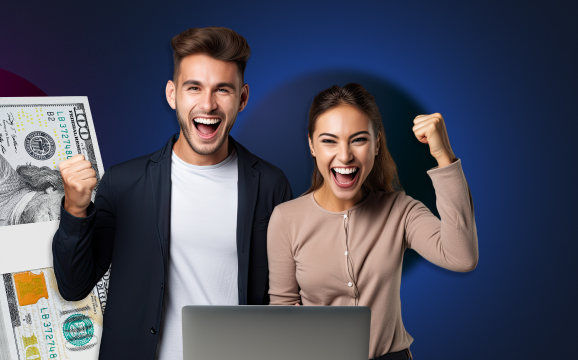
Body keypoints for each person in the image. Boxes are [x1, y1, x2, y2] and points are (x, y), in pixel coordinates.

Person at [52, 27, 293, 360]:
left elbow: (286, 297)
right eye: (193, 88)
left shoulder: (271, 184)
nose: (207, 104)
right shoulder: (124, 183)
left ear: (242, 98)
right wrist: (75, 209)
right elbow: (74, 286)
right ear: (172, 94)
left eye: (222, 89)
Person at [267, 83, 478, 360]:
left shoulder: (400, 210)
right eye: (329, 140)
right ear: (312, 145)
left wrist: (443, 155)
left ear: (377, 144)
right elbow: (282, 311)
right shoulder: (285, 218)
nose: (344, 156)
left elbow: (461, 257)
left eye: (358, 139)